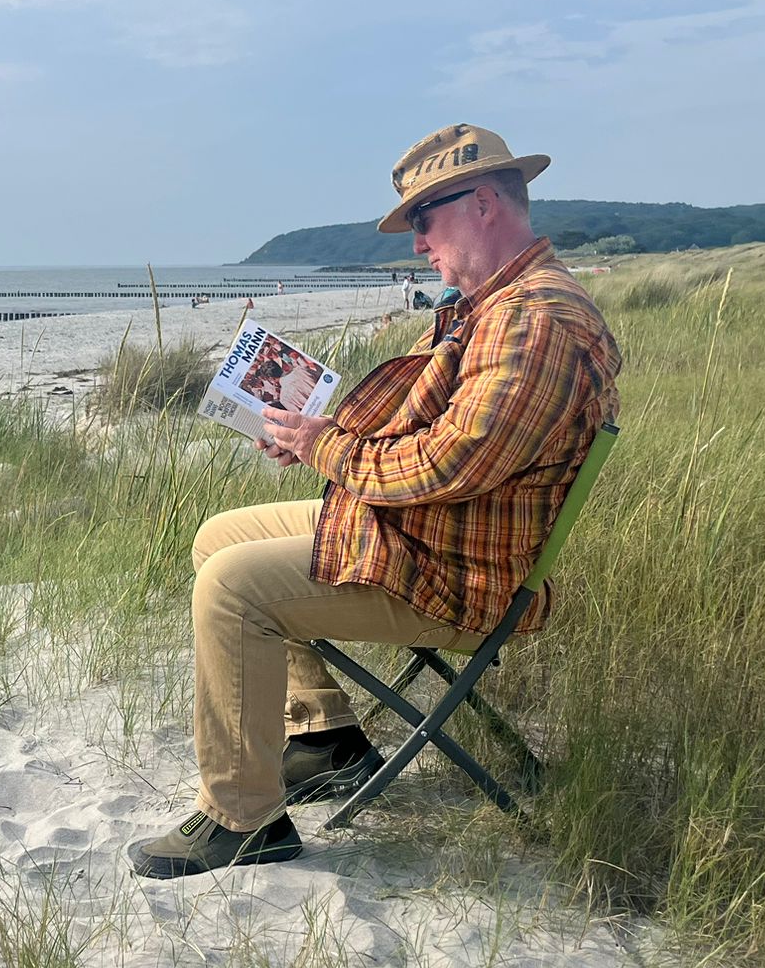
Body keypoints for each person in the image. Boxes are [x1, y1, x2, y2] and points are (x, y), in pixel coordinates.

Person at [127, 124, 621, 879]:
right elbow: (438, 436)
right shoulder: (495, 303)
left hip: (457, 571)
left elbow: (447, 464)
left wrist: (327, 448)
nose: (417, 245)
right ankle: (326, 741)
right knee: (218, 538)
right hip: (425, 533)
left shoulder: (535, 322)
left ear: (484, 202)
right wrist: (314, 431)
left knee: (231, 588)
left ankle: (243, 818)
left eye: (424, 221)